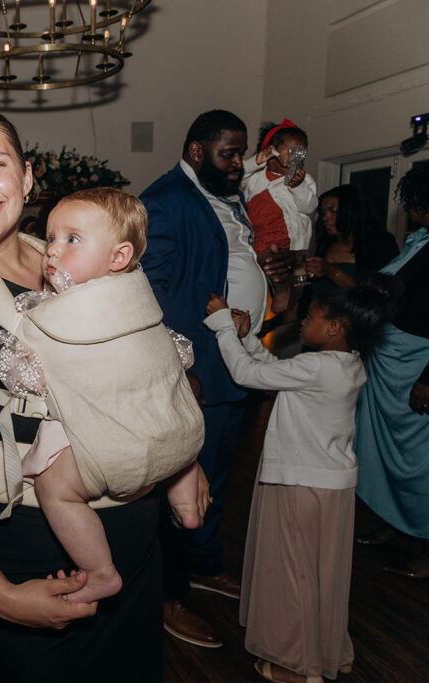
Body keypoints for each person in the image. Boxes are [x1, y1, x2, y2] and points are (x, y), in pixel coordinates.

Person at [0, 105, 169, 681]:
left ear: (28, 175)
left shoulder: (75, 258)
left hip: (135, 549)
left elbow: (146, 364)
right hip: (23, 560)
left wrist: (184, 464)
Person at [0, 188, 205, 605]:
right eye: (51, 237)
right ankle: (188, 504)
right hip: (179, 431)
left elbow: (30, 376)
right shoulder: (138, 293)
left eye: (72, 240)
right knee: (172, 445)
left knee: (55, 488)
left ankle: (100, 571)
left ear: (119, 258)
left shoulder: (65, 311)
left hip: (118, 450)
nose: (52, 250)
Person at [139, 109, 290, 648]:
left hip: (234, 362)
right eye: (228, 153)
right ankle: (167, 595)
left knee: (218, 475)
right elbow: (149, 296)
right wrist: (178, 366)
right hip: (195, 370)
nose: (237, 164)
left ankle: (204, 563)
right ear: (197, 151)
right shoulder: (165, 200)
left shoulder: (227, 196)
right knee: (180, 488)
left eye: (240, 153)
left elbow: (227, 262)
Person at [205, 274, 397, 683]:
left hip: (302, 481)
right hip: (332, 485)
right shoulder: (346, 364)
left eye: (309, 317)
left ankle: (298, 664)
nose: (301, 323)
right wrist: (248, 338)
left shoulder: (316, 366)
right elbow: (279, 372)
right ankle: (327, 650)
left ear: (333, 328)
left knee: (295, 572)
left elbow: (248, 376)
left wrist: (223, 325)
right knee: (322, 572)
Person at [354, 164, 429, 578]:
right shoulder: (419, 241)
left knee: (420, 458)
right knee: (385, 450)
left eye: (416, 203)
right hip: (391, 360)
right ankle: (398, 524)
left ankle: (426, 540)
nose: (411, 211)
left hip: (417, 364)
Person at [241, 119, 317, 313]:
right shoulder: (255, 178)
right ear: (272, 151)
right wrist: (255, 161)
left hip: (292, 241)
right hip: (263, 237)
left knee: (296, 272)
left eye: (302, 152)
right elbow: (236, 175)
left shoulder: (304, 179)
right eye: (292, 151)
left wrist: (297, 187)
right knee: (268, 260)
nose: (297, 157)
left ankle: (289, 294)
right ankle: (277, 290)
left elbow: (309, 206)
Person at [299, 184, 399, 318]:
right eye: (323, 213)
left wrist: (330, 271)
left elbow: (375, 296)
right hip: (316, 324)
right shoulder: (325, 244)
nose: (325, 218)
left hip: (354, 329)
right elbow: (308, 292)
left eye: (332, 211)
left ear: (351, 210)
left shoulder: (379, 243)